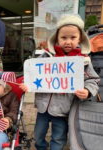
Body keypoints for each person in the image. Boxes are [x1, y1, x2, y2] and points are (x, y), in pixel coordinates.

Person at [20, 14, 100, 150]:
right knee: (38, 135)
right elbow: (33, 72)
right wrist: (27, 83)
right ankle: (40, 147)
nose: (68, 41)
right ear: (57, 38)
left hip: (64, 109)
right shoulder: (46, 56)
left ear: (80, 39)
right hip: (42, 107)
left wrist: (87, 91)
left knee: (58, 137)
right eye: (64, 37)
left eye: (73, 37)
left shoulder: (84, 61)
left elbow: (93, 80)